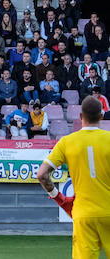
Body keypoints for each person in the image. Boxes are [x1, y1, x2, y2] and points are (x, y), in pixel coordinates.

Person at [37, 95, 110, 259]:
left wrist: (58, 197)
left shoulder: (66, 142)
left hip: (83, 214)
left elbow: (41, 175)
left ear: (81, 116)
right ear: (101, 116)